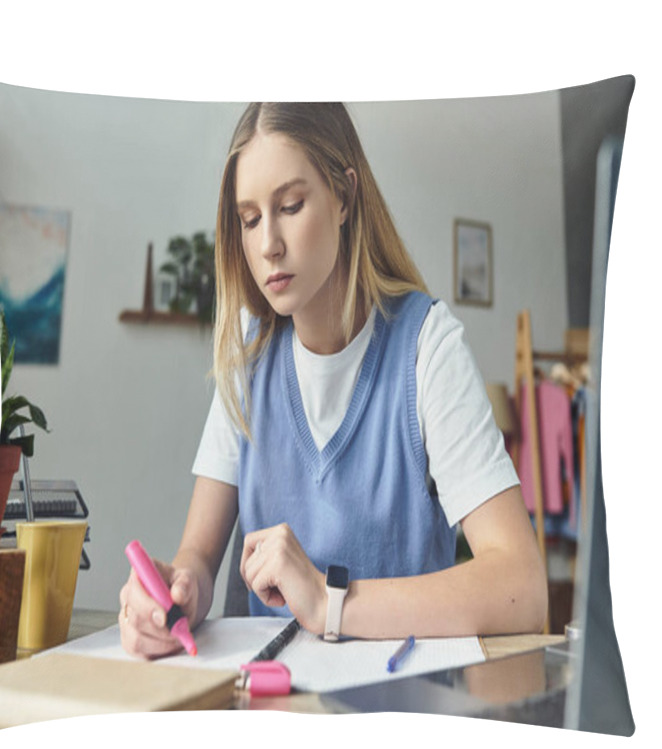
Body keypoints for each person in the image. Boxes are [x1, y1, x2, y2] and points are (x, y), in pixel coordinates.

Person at [119, 102, 547, 658]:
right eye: (249, 220)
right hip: (274, 707)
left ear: (344, 196)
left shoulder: (426, 347)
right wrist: (173, 595)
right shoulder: (248, 358)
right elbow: (196, 560)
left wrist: (330, 602)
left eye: (291, 206)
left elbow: (523, 587)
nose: (268, 242)